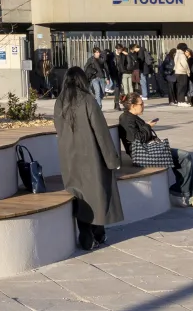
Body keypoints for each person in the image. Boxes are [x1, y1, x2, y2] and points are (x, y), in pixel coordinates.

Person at [54, 67, 123, 250]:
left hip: (69, 156)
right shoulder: (88, 100)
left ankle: (85, 234)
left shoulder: (60, 102)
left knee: (78, 195)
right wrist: (112, 160)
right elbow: (101, 132)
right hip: (91, 155)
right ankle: (97, 233)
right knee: (97, 193)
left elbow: (59, 130)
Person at [117, 93, 193, 209]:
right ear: (133, 106)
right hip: (142, 155)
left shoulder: (131, 117)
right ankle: (181, 193)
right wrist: (147, 126)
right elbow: (136, 138)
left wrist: (147, 127)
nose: (143, 106)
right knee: (184, 156)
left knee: (184, 158)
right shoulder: (126, 118)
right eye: (141, 104)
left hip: (147, 151)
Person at [172, 43, 192, 107]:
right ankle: (182, 101)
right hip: (182, 72)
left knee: (179, 88)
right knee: (183, 87)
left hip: (177, 72)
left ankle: (179, 101)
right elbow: (185, 64)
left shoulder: (176, 54)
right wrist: (188, 71)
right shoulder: (182, 55)